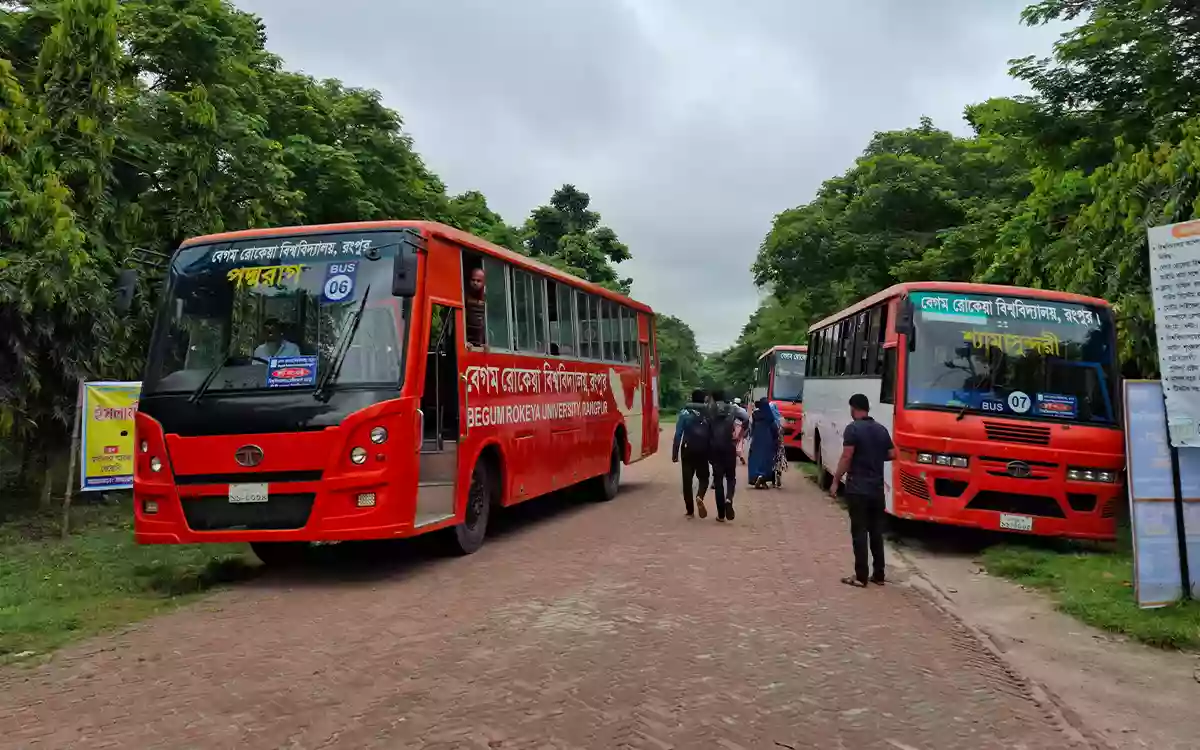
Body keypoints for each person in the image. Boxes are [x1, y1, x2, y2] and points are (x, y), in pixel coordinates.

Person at [830, 393, 895, 588]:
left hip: (858, 488)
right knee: (876, 532)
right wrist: (874, 456)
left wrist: (835, 480)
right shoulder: (881, 429)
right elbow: (893, 454)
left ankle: (860, 576)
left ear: (853, 408)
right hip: (876, 489)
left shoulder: (853, 429)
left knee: (859, 532)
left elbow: (847, 456)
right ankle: (879, 574)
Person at [707, 388, 748, 522]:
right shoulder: (733, 409)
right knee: (731, 477)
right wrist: (740, 434)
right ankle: (729, 498)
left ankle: (720, 514)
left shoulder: (709, 409)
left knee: (718, 480)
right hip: (729, 446)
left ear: (713, 397)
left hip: (714, 448)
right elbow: (747, 418)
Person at [671, 389, 711, 519]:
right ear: (704, 399)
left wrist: (675, 453)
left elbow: (678, 435)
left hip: (687, 449)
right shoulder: (709, 413)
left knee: (687, 481)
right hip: (703, 450)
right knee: (704, 478)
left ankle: (689, 510)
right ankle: (700, 496)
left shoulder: (684, 413)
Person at [748, 397, 780, 489]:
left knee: (754, 459)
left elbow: (752, 427)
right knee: (766, 460)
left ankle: (755, 476)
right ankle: (762, 477)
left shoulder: (755, 415)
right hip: (767, 441)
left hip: (756, 440)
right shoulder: (770, 417)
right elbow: (775, 430)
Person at [465, 267, 486, 347]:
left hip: (480, 342)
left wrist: (485, 342)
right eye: (473, 280)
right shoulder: (464, 297)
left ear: (483, 282)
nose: (475, 283)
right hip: (468, 340)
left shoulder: (486, 298)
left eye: (478, 281)